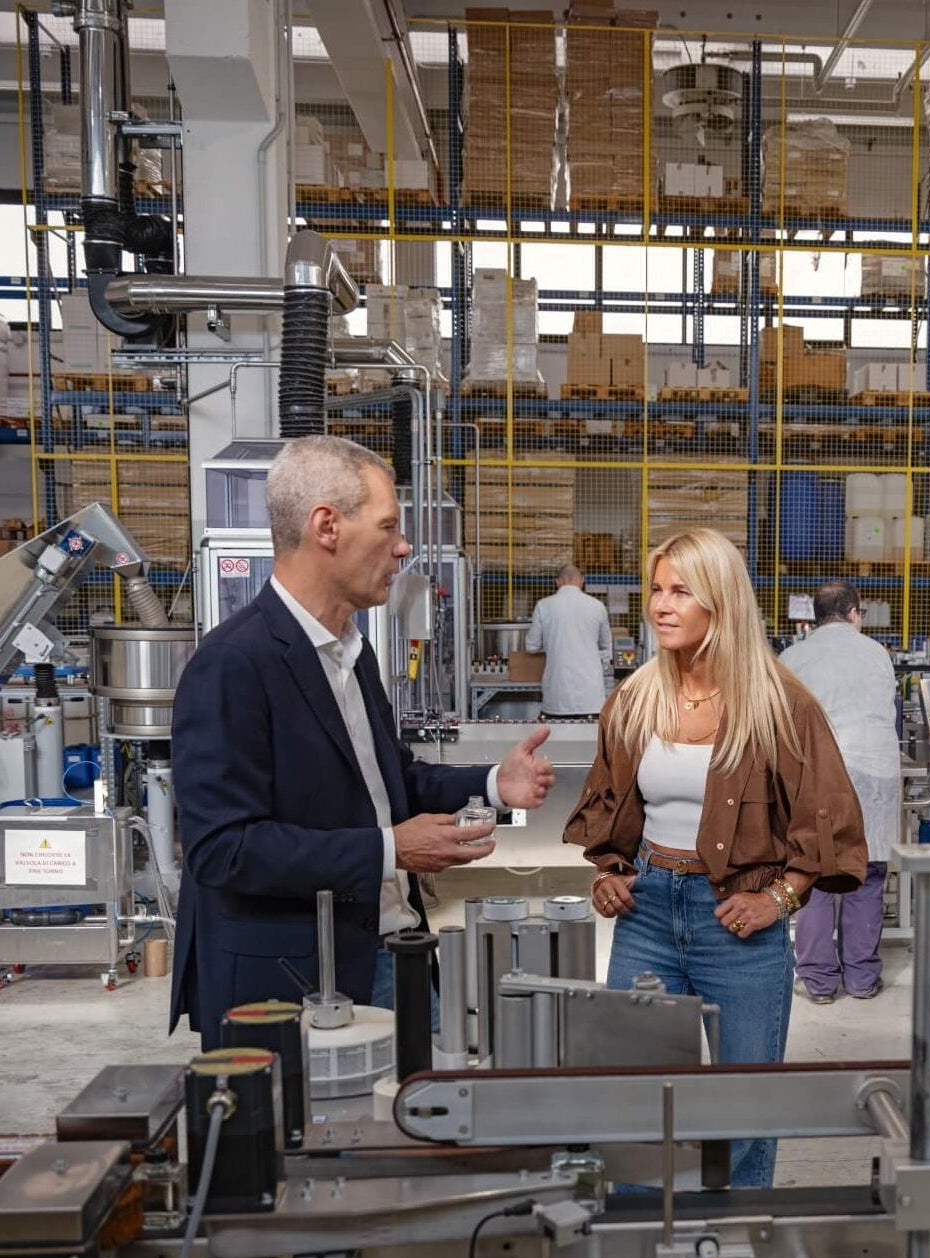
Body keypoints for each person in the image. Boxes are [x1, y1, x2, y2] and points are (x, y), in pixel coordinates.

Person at [170, 435, 556, 1047]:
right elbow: (223, 849)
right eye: (389, 526)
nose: (404, 546)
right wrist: (387, 850)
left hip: (387, 952)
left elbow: (389, 779)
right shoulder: (234, 664)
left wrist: (490, 783)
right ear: (327, 527)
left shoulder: (351, 650)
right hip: (293, 981)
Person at [564, 528, 866, 1190]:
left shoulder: (780, 704)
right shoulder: (635, 700)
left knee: (746, 1110)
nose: (661, 606)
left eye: (681, 592)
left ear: (721, 603)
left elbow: (826, 816)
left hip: (736, 922)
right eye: (656, 589)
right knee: (637, 1109)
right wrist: (609, 872)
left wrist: (780, 899)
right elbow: (613, 806)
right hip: (647, 916)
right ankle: (644, 1254)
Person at [780, 581, 901, 1002]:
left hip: (818, 777)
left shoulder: (792, 657)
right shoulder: (877, 654)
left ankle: (817, 980)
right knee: (866, 875)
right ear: (854, 612)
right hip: (873, 777)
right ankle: (863, 979)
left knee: (810, 874)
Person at [525, 563, 613, 719]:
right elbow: (607, 648)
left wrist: (554, 644)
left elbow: (531, 646)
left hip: (557, 697)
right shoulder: (598, 606)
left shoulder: (543, 606)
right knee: (590, 743)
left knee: (556, 742)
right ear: (582, 581)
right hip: (591, 698)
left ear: (557, 582)